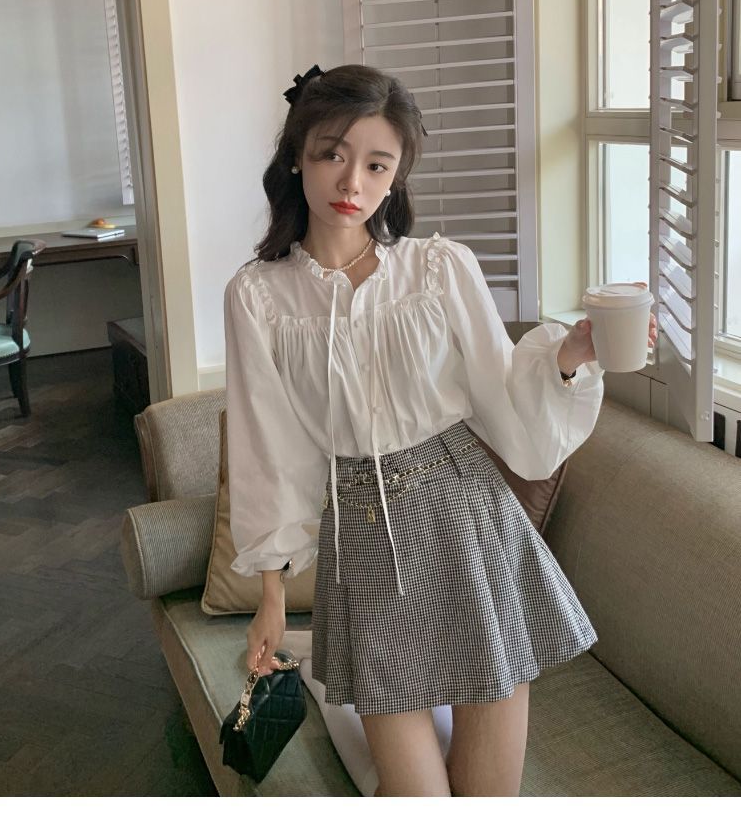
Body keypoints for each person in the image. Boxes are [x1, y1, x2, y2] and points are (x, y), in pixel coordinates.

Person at [223, 63, 658, 797]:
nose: (351, 181)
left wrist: (575, 352)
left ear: (396, 176)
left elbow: (501, 391)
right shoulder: (259, 296)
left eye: (376, 164)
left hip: (468, 518)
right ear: (297, 156)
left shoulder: (438, 268)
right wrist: (271, 592)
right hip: (363, 538)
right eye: (332, 154)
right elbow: (269, 448)